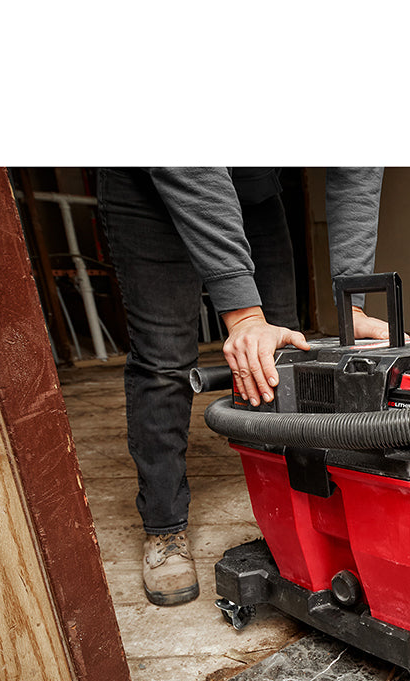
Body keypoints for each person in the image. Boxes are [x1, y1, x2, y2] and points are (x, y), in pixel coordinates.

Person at [98, 167, 387, 606]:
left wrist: (354, 305)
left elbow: (355, 173)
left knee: (281, 356)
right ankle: (164, 527)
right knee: (164, 361)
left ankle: (295, 519)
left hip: (251, 191)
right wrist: (244, 314)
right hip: (157, 186)